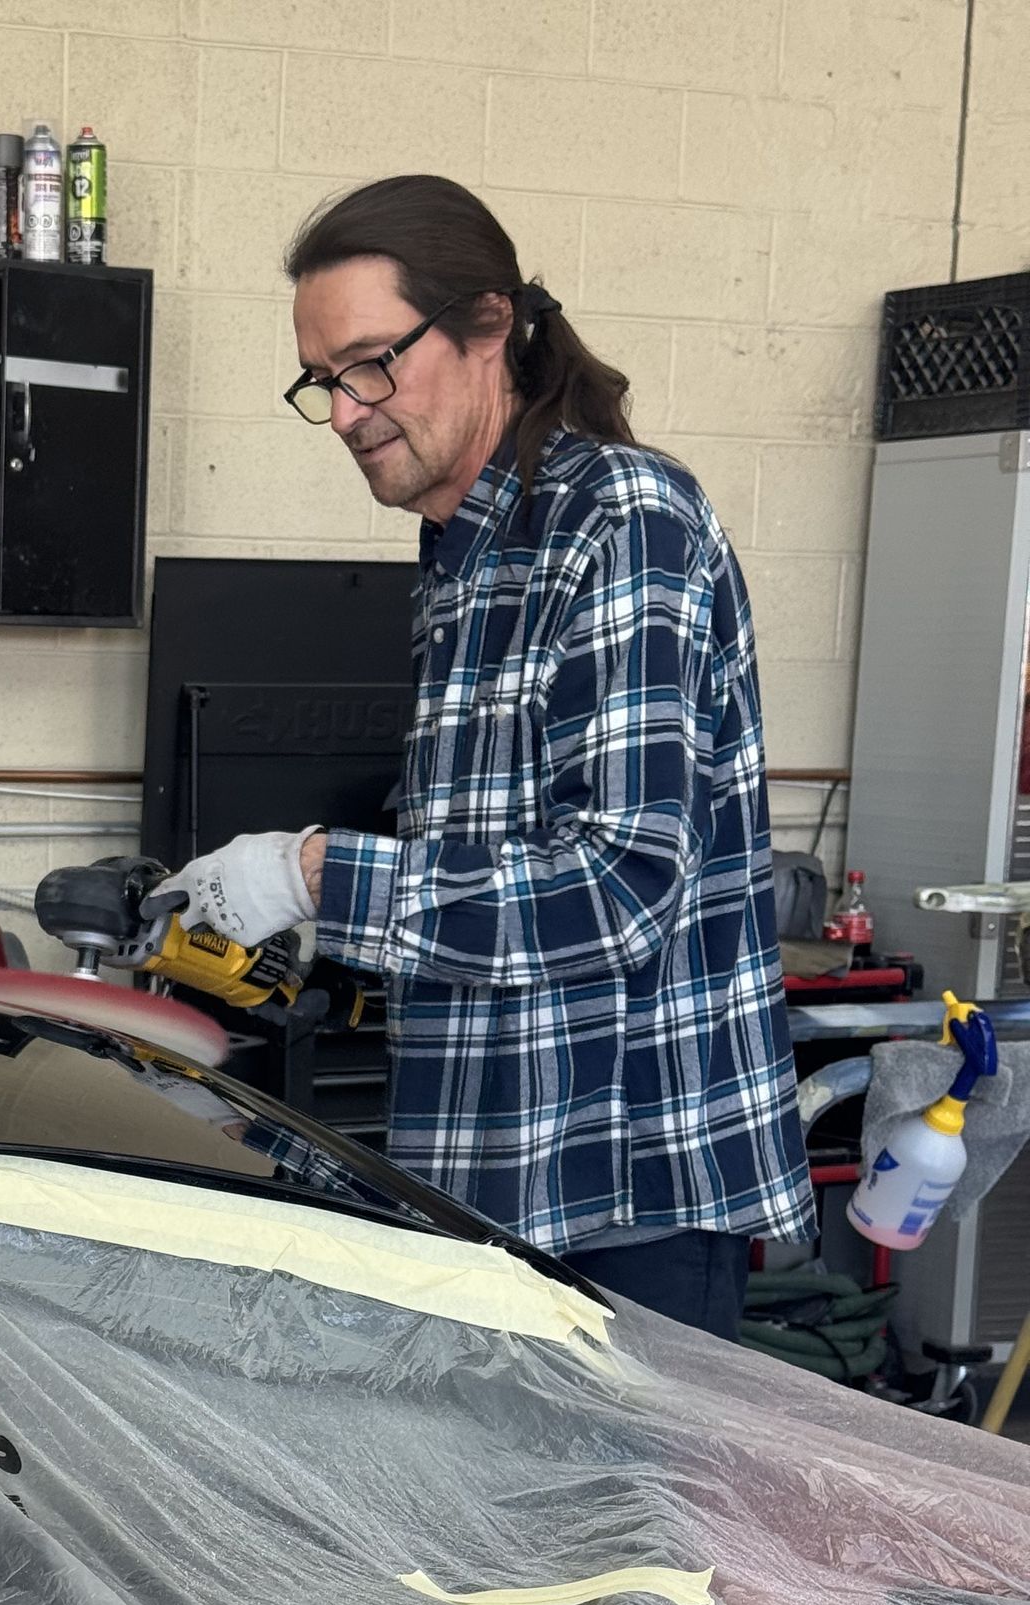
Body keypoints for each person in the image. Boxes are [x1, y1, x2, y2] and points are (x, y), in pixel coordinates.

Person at [146, 174, 813, 1340]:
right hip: (486, 1187)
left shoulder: (623, 521)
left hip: (621, 1211)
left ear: (490, 326)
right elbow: (486, 873)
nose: (346, 410)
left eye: (370, 363)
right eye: (323, 380)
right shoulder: (459, 563)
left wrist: (306, 875)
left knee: (616, 1533)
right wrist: (305, 940)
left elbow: (617, 893)